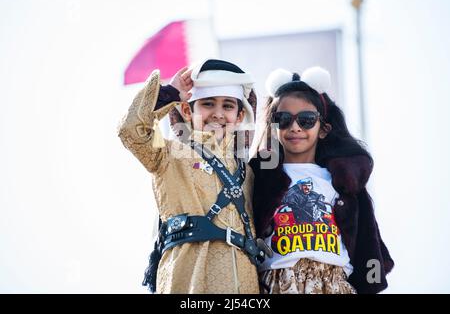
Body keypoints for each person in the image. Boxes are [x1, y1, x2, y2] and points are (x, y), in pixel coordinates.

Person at [118, 59, 269, 294]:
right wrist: (170, 94)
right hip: (188, 281)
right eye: (208, 104)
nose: (218, 114)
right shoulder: (167, 153)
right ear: (188, 110)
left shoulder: (248, 172)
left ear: (240, 116)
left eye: (228, 106)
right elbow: (131, 131)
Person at [249, 67, 394, 294]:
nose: (295, 127)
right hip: (276, 282)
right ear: (273, 126)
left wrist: (370, 283)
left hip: (334, 282)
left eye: (306, 120)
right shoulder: (258, 177)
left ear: (324, 129)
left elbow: (368, 239)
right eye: (283, 119)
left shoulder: (344, 180)